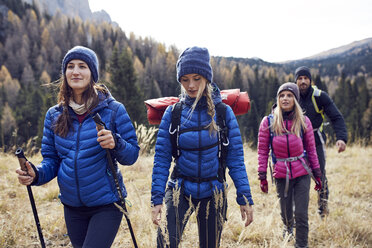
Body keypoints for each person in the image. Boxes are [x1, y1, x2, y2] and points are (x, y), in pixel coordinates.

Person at [15, 46, 140, 248]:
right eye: (70, 66)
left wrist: (116, 143)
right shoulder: (54, 115)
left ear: (92, 73)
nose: (75, 71)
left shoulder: (113, 110)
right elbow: (52, 161)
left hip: (107, 205)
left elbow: (132, 154)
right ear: (65, 73)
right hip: (72, 207)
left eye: (82, 66)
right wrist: (36, 174)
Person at [151, 46, 254, 248]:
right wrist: (156, 200)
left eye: (197, 78)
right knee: (165, 243)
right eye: (185, 79)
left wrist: (245, 198)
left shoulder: (223, 113)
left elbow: (235, 160)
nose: (191, 85)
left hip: (213, 190)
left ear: (207, 78)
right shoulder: (173, 113)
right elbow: (162, 158)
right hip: (180, 189)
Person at [258, 82, 322, 248]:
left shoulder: (304, 121)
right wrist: (262, 176)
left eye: (289, 95)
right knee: (286, 214)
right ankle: (287, 227)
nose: (285, 99)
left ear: (295, 99)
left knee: (301, 214)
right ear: (278, 99)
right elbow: (263, 151)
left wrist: (317, 174)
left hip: (302, 173)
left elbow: (312, 149)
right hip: (281, 174)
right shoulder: (268, 122)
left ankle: (301, 245)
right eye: (282, 95)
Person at [294, 66, 347, 217]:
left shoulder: (319, 96)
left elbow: (336, 117)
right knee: (296, 177)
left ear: (310, 80)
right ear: (296, 81)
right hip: (296, 142)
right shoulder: (291, 96)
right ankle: (298, 211)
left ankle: (322, 209)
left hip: (316, 140)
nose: (303, 81)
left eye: (306, 78)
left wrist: (341, 138)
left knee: (319, 174)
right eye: (300, 78)